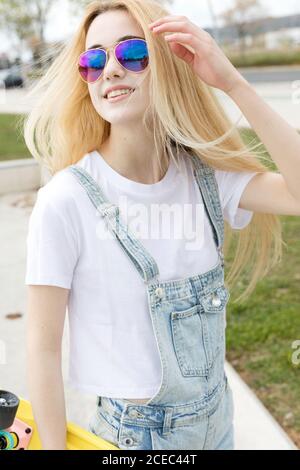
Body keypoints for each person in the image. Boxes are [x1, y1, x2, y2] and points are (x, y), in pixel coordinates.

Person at [22, 0, 300, 450]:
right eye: (94, 60)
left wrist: (232, 83)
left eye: (131, 53)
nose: (110, 70)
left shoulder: (206, 179)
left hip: (218, 423)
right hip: (137, 440)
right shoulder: (65, 201)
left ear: (170, 65)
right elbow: (43, 347)